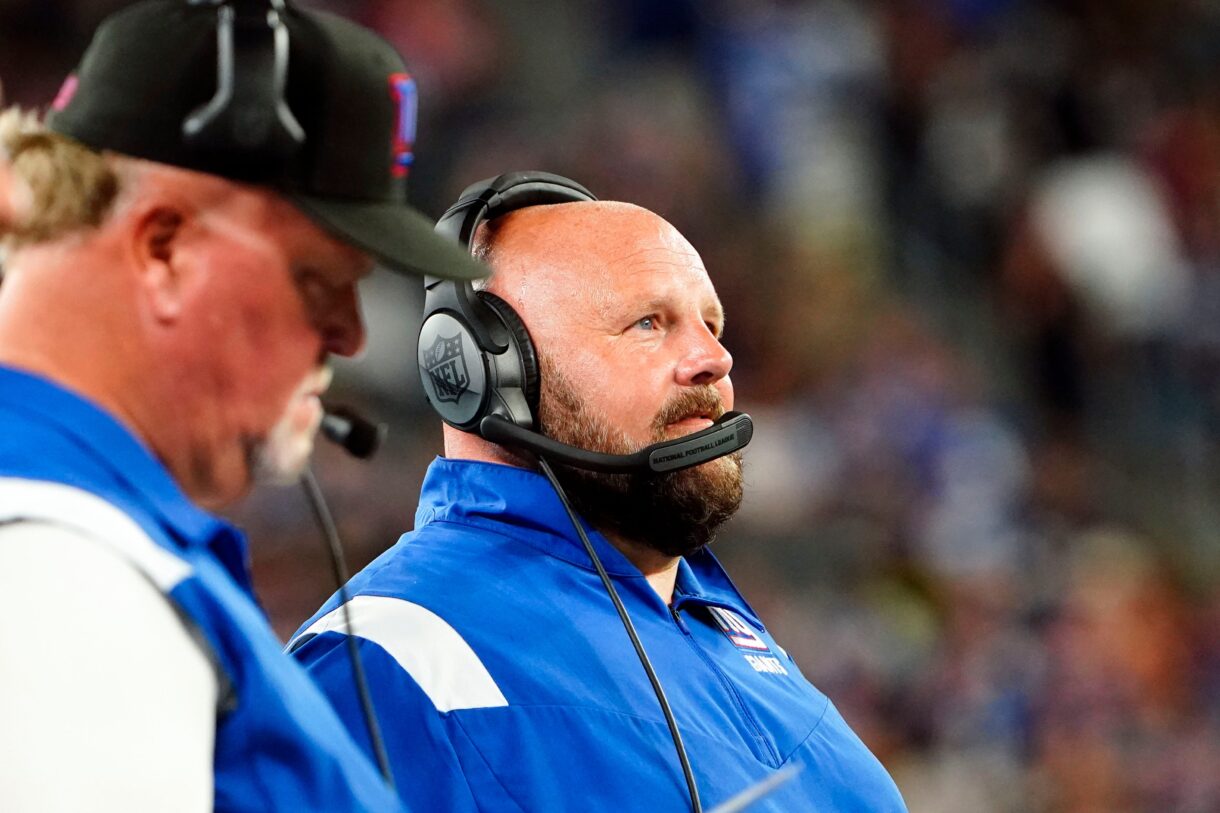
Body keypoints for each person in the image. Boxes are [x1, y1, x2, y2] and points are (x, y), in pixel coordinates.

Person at [0, 1, 485, 811]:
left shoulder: (86, 533)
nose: (350, 335)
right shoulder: (56, 554)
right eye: (318, 279)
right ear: (164, 250)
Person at [290, 181, 909, 811]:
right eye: (649, 323)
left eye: (712, 325)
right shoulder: (385, 660)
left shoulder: (736, 639)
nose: (714, 359)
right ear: (487, 370)